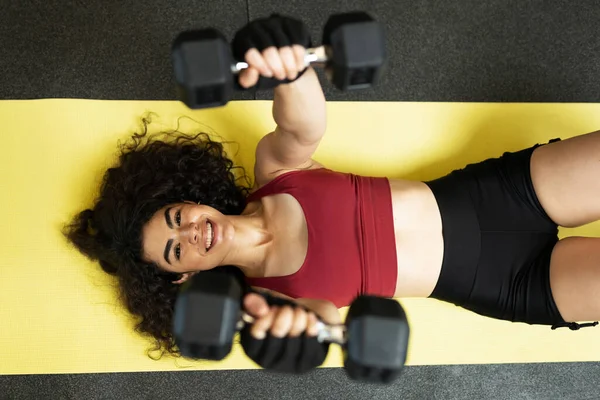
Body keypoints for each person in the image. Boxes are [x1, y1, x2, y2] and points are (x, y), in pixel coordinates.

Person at [65, 15, 600, 365]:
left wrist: (286, 65)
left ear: (190, 198)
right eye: (175, 247)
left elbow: (305, 125)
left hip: (496, 194)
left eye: (178, 215)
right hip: (506, 282)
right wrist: (295, 329)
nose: (193, 232)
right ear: (182, 274)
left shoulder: (274, 174)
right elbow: (320, 322)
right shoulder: (265, 298)